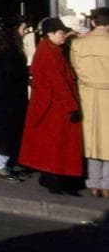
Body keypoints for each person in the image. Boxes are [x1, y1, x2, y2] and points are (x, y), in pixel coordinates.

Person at [18, 17, 84, 195]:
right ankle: (56, 180)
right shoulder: (50, 52)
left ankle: (52, 178)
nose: (63, 35)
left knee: (53, 146)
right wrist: (72, 106)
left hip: (52, 105)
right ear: (50, 34)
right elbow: (58, 82)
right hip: (56, 107)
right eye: (61, 32)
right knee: (58, 146)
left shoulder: (49, 49)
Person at [0, 15, 30, 183]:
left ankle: (4, 165)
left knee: (5, 133)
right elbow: (12, 76)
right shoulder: (10, 51)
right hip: (8, 100)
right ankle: (0, 167)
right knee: (5, 133)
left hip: (1, 99)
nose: (26, 32)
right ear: (15, 30)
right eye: (23, 28)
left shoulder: (0, 48)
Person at [69, 7, 109, 197]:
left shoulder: (78, 44)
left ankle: (93, 182)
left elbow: (75, 69)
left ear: (92, 22)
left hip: (87, 94)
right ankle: (107, 183)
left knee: (91, 139)